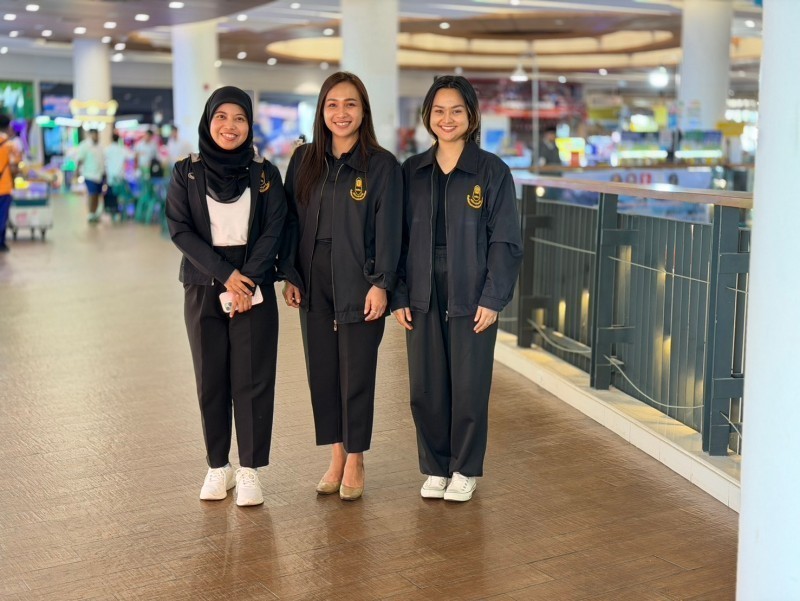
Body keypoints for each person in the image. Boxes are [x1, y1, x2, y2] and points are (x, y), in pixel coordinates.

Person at [391, 76, 522, 502]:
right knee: (425, 386)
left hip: (472, 288)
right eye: (439, 111)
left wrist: (493, 297)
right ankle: (435, 467)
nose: (447, 119)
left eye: (456, 111)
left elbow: (505, 240)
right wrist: (398, 294)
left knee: (469, 385)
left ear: (472, 116)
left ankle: (464, 468)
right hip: (421, 288)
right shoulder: (412, 171)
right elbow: (395, 240)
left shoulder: (492, 171)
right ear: (427, 116)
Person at [280, 72, 402, 501]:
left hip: (360, 281)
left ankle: (356, 457)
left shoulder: (381, 165)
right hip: (312, 282)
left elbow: (390, 228)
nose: (341, 113)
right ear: (321, 111)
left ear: (363, 110)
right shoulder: (304, 160)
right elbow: (289, 220)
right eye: (332, 104)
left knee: (357, 373)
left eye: (350, 104)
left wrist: (381, 283)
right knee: (323, 372)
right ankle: (335, 454)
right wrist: (290, 274)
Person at [165, 86, 287, 507]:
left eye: (239, 118)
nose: (230, 126)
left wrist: (246, 280)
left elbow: (275, 228)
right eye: (221, 117)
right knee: (210, 377)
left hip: (254, 281)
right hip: (203, 281)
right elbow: (180, 229)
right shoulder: (186, 171)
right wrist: (226, 275)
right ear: (208, 121)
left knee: (253, 378)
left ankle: (250, 468)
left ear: (250, 125)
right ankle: (219, 465)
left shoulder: (265, 173)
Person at [75, 128, 105, 223]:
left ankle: (95, 213)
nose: (96, 136)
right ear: (90, 135)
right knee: (92, 194)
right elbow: (80, 159)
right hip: (89, 175)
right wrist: (77, 172)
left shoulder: (100, 147)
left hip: (99, 175)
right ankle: (90, 213)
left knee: (97, 195)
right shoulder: (85, 146)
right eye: (94, 134)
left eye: (97, 134)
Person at [0, 114, 21, 252]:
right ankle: (1, 242)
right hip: (4, 187)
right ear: (8, 127)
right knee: (2, 215)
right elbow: (14, 167)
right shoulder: (11, 145)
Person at [103, 132, 128, 220]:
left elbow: (104, 161)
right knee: (119, 194)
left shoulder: (107, 149)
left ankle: (112, 210)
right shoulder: (122, 149)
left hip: (111, 176)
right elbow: (131, 156)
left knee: (111, 194)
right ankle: (118, 211)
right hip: (120, 177)